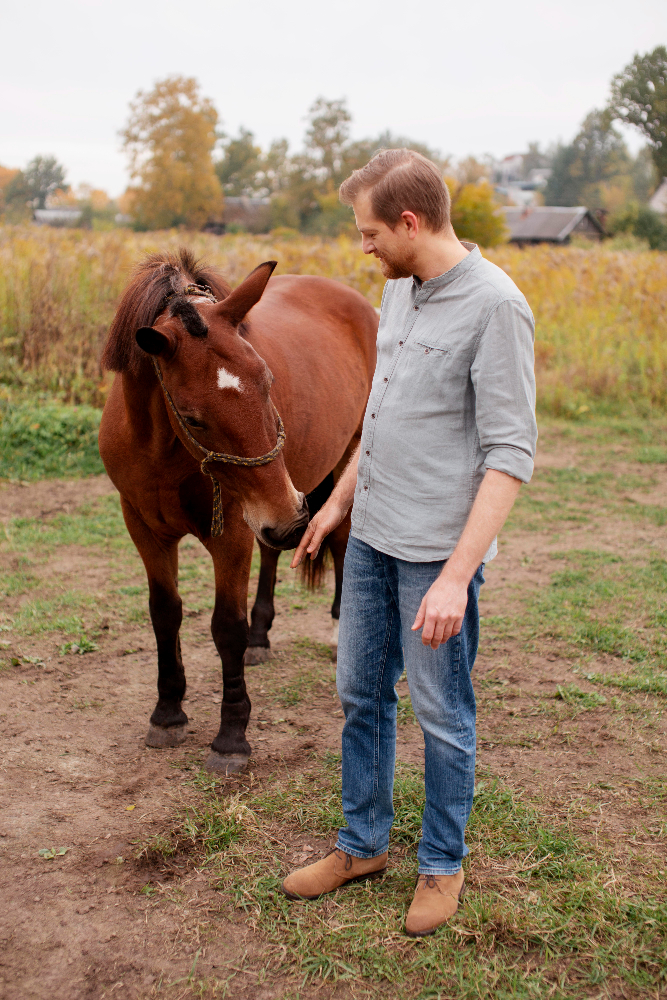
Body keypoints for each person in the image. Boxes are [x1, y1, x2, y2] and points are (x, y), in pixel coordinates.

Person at [282, 148, 537, 937]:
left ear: (409, 222)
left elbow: (509, 455)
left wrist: (454, 578)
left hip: (435, 555)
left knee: (440, 714)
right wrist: (335, 505)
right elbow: (383, 418)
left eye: (367, 232)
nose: (361, 247)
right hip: (371, 542)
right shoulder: (398, 292)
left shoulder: (496, 308)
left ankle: (440, 864)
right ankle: (360, 845)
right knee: (360, 697)